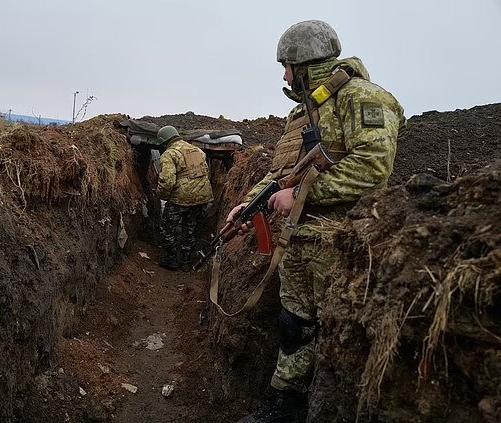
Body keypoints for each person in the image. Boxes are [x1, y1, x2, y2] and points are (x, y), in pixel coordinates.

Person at [231, 20, 405, 422]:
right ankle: (284, 404)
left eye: (288, 67)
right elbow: (282, 173)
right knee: (293, 324)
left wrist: (304, 195)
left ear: (307, 65)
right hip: (300, 241)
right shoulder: (301, 113)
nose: (285, 76)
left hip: (343, 243)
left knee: (338, 335)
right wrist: (247, 204)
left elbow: (374, 166)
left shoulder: (362, 97)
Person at [155, 125, 213, 271]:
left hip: (180, 198)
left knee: (167, 228)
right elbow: (205, 172)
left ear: (164, 141)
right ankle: (187, 260)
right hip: (201, 197)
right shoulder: (197, 150)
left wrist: (161, 196)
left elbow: (167, 181)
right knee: (190, 228)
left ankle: (171, 259)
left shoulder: (169, 154)